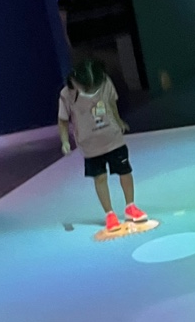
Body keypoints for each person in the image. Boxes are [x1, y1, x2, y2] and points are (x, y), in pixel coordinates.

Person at [59, 58, 149, 232]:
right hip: (90, 145)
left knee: (125, 172)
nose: (93, 91)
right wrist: (64, 141)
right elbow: (62, 120)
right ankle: (110, 214)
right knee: (100, 178)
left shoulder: (105, 81)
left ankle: (130, 207)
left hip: (113, 139)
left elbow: (111, 103)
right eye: (88, 88)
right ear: (76, 81)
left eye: (96, 87)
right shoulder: (66, 94)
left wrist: (118, 120)